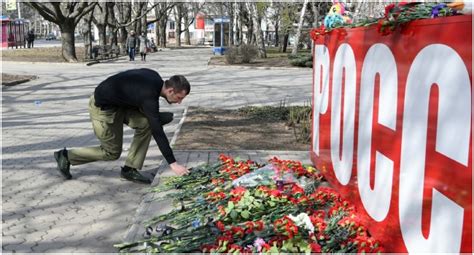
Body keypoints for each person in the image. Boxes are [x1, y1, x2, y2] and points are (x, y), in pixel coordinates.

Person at [54, 68, 191, 184]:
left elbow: (133, 92)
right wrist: (173, 164)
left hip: (119, 105)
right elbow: (158, 132)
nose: (179, 103)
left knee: (147, 123)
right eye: (179, 98)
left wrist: (153, 118)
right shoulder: (149, 96)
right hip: (103, 109)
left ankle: (130, 169)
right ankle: (66, 156)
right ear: (171, 91)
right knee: (111, 153)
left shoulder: (154, 77)